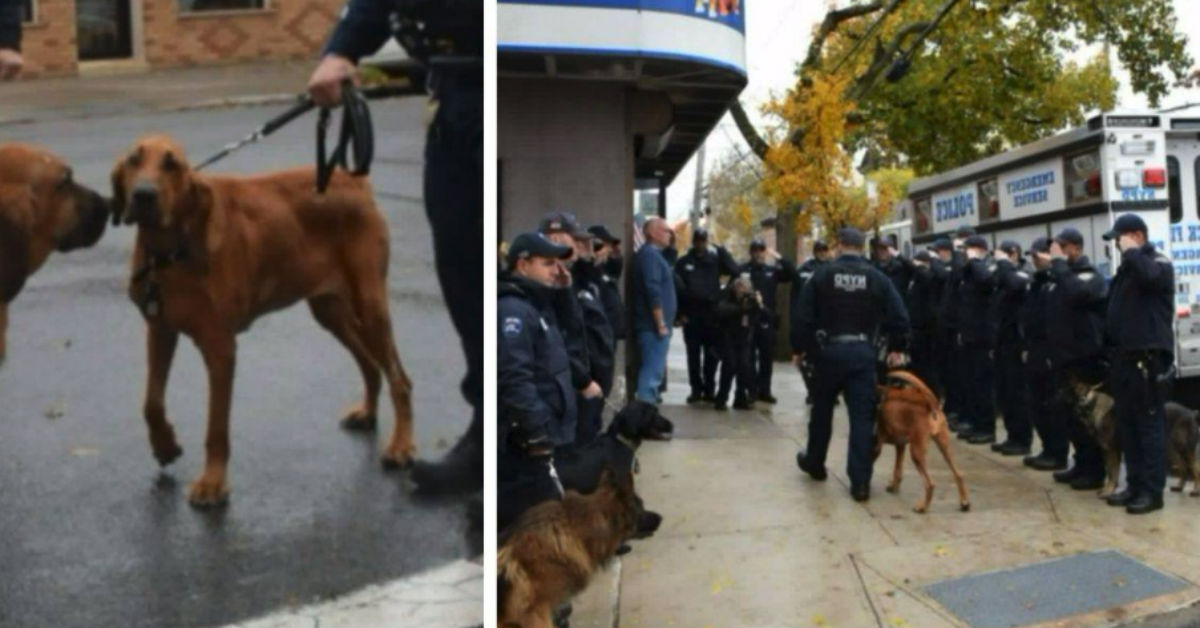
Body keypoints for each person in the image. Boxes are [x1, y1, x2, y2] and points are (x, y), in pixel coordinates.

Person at [308, 0, 481, 495]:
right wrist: (342, 51)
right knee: (461, 266)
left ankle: (507, 443)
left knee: (492, 267)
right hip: (451, 97)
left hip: (495, 80)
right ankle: (489, 428)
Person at [793, 227, 909, 502]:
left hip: (828, 352)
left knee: (821, 411)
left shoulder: (822, 275)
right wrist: (897, 347)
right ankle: (860, 483)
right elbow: (899, 316)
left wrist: (800, 348)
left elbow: (802, 316)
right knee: (861, 418)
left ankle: (816, 463)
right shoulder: (876, 278)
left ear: (840, 245)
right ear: (861, 247)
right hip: (862, 353)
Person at [497, 233, 575, 528]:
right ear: (523, 264)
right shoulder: (513, 310)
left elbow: (571, 332)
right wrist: (535, 429)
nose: (557, 270)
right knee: (533, 518)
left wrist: (565, 291)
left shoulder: (537, 302)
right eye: (548, 263)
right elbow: (514, 375)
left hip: (548, 429)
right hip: (528, 439)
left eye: (558, 263)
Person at [1101, 214, 1175, 514]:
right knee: (1128, 427)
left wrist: (1133, 252)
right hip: (1124, 360)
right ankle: (1134, 485)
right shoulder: (1129, 269)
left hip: (1147, 360)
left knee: (1148, 427)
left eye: (1119, 238)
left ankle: (1152, 492)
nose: (1116, 244)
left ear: (1136, 235)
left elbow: (1152, 279)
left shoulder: (1157, 262)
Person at [1040, 227, 1108, 491]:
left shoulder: (1088, 275)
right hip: (1063, 359)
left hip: (1084, 358)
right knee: (1069, 417)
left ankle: (1094, 471)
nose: (1057, 252)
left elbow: (1078, 294)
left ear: (1076, 249)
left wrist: (1058, 265)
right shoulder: (1062, 276)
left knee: (1087, 419)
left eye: (1062, 247)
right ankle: (1080, 463)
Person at [675, 228, 739, 404]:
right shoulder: (684, 262)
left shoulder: (715, 261)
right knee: (693, 355)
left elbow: (735, 271)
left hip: (712, 315)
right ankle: (696, 389)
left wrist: (722, 250)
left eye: (704, 241)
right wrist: (679, 314)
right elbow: (677, 290)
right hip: (692, 314)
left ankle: (709, 389)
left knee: (712, 355)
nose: (701, 244)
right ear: (694, 241)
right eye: (698, 240)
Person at [1021, 237, 1067, 471]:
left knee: (1053, 406)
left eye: (1037, 256)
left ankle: (1057, 453)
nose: (1034, 261)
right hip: (1036, 349)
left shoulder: (1059, 278)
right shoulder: (1037, 281)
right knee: (1037, 404)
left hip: (1051, 351)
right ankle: (1047, 448)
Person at [989, 240, 1033, 456]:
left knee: (1017, 393)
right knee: (1005, 392)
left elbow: (1018, 284)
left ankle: (1022, 438)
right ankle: (1012, 435)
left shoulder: (1023, 273)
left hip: (1017, 343)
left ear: (1014, 254)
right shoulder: (1002, 277)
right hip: (1002, 342)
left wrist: (1005, 264)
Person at [741, 238, 795, 403]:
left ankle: (765, 390)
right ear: (751, 252)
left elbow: (791, 273)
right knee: (749, 358)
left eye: (761, 250)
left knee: (766, 358)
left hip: (767, 318)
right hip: (749, 318)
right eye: (755, 250)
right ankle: (751, 390)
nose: (758, 253)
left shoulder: (772, 270)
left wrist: (777, 256)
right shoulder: (744, 270)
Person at [956, 235, 997, 444]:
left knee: (983, 385)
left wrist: (976, 261)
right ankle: (975, 422)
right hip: (969, 336)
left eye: (967, 250)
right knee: (971, 384)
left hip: (983, 337)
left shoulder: (986, 268)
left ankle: (986, 427)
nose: (964, 254)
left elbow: (987, 281)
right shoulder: (969, 272)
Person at [631, 217, 677, 404]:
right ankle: (644, 415)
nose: (670, 234)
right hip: (653, 327)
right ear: (653, 233)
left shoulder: (655, 255)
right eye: (667, 231)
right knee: (651, 374)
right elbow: (653, 290)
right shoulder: (649, 255)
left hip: (655, 326)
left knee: (655, 372)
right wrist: (660, 323)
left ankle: (648, 413)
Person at [791, 240, 832, 405]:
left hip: (827, 319)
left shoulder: (832, 268)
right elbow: (797, 294)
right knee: (808, 360)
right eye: (819, 250)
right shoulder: (804, 270)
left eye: (824, 250)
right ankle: (812, 391)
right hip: (810, 319)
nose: (822, 253)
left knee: (827, 360)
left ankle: (827, 391)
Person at [713, 276, 763, 410]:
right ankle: (721, 398)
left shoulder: (752, 299)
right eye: (740, 288)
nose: (743, 291)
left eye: (746, 288)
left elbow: (763, 315)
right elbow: (721, 310)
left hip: (744, 337)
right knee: (729, 366)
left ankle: (740, 398)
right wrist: (741, 307)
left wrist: (758, 304)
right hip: (727, 336)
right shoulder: (726, 296)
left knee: (744, 366)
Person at [906, 250, 938, 389]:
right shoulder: (915, 278)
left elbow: (927, 278)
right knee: (917, 364)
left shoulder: (927, 276)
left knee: (927, 365)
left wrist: (920, 267)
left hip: (925, 327)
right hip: (915, 325)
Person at [589, 224, 626, 345]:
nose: (609, 249)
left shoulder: (606, 268)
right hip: (598, 331)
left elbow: (615, 272)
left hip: (611, 328)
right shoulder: (589, 269)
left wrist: (617, 256)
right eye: (607, 245)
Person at [0, 0, 22, 81]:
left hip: (7, 23)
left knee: (7, 46)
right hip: (13, 22)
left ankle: (10, 65)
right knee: (11, 45)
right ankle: (11, 65)